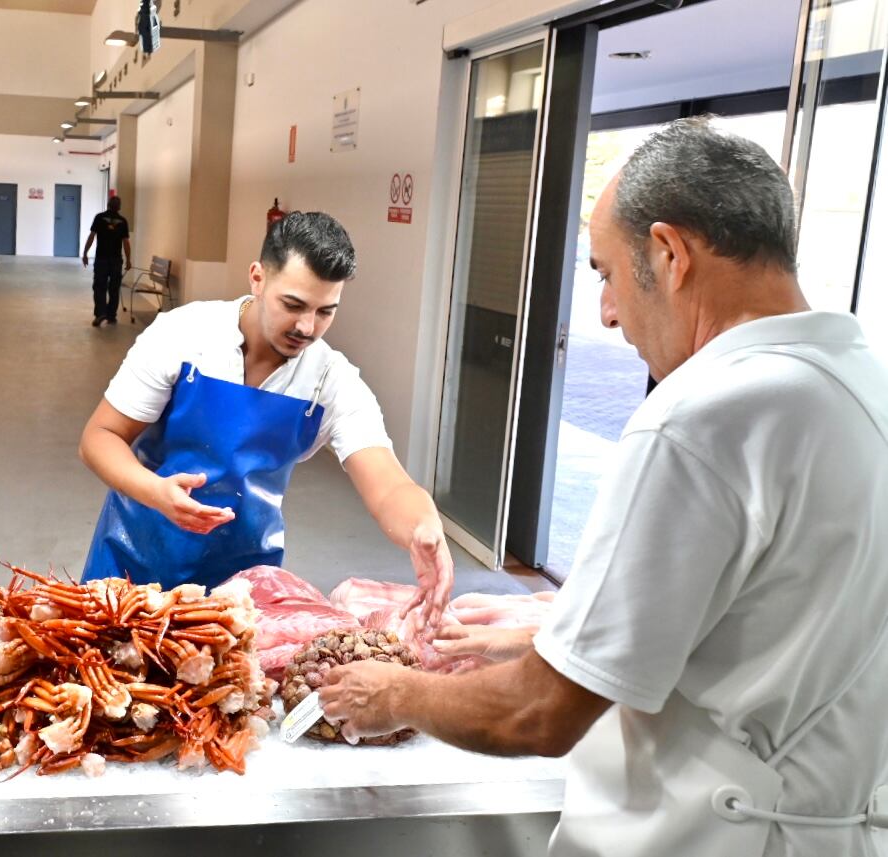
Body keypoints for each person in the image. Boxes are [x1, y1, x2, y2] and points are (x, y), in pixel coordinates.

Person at [318, 118, 888, 857]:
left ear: (670, 253)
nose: (608, 313)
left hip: (708, 836)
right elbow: (784, 606)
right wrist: (564, 625)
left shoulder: (699, 417)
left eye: (606, 273)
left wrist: (391, 692)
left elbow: (540, 714)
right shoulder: (858, 382)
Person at [78, 211, 454, 623]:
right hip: (133, 565)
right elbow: (100, 436)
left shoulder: (329, 379)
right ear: (257, 278)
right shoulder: (184, 335)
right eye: (292, 305)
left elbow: (388, 484)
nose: (307, 327)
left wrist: (424, 525)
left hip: (242, 587)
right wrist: (155, 492)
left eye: (326, 311)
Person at [82, 196, 131, 327]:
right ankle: (111, 316)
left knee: (99, 287)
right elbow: (126, 243)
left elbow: (92, 237)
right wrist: (129, 260)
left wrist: (85, 253)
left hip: (101, 259)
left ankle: (100, 314)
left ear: (108, 205)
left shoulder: (99, 217)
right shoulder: (123, 221)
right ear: (119, 207)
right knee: (114, 288)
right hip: (116, 260)